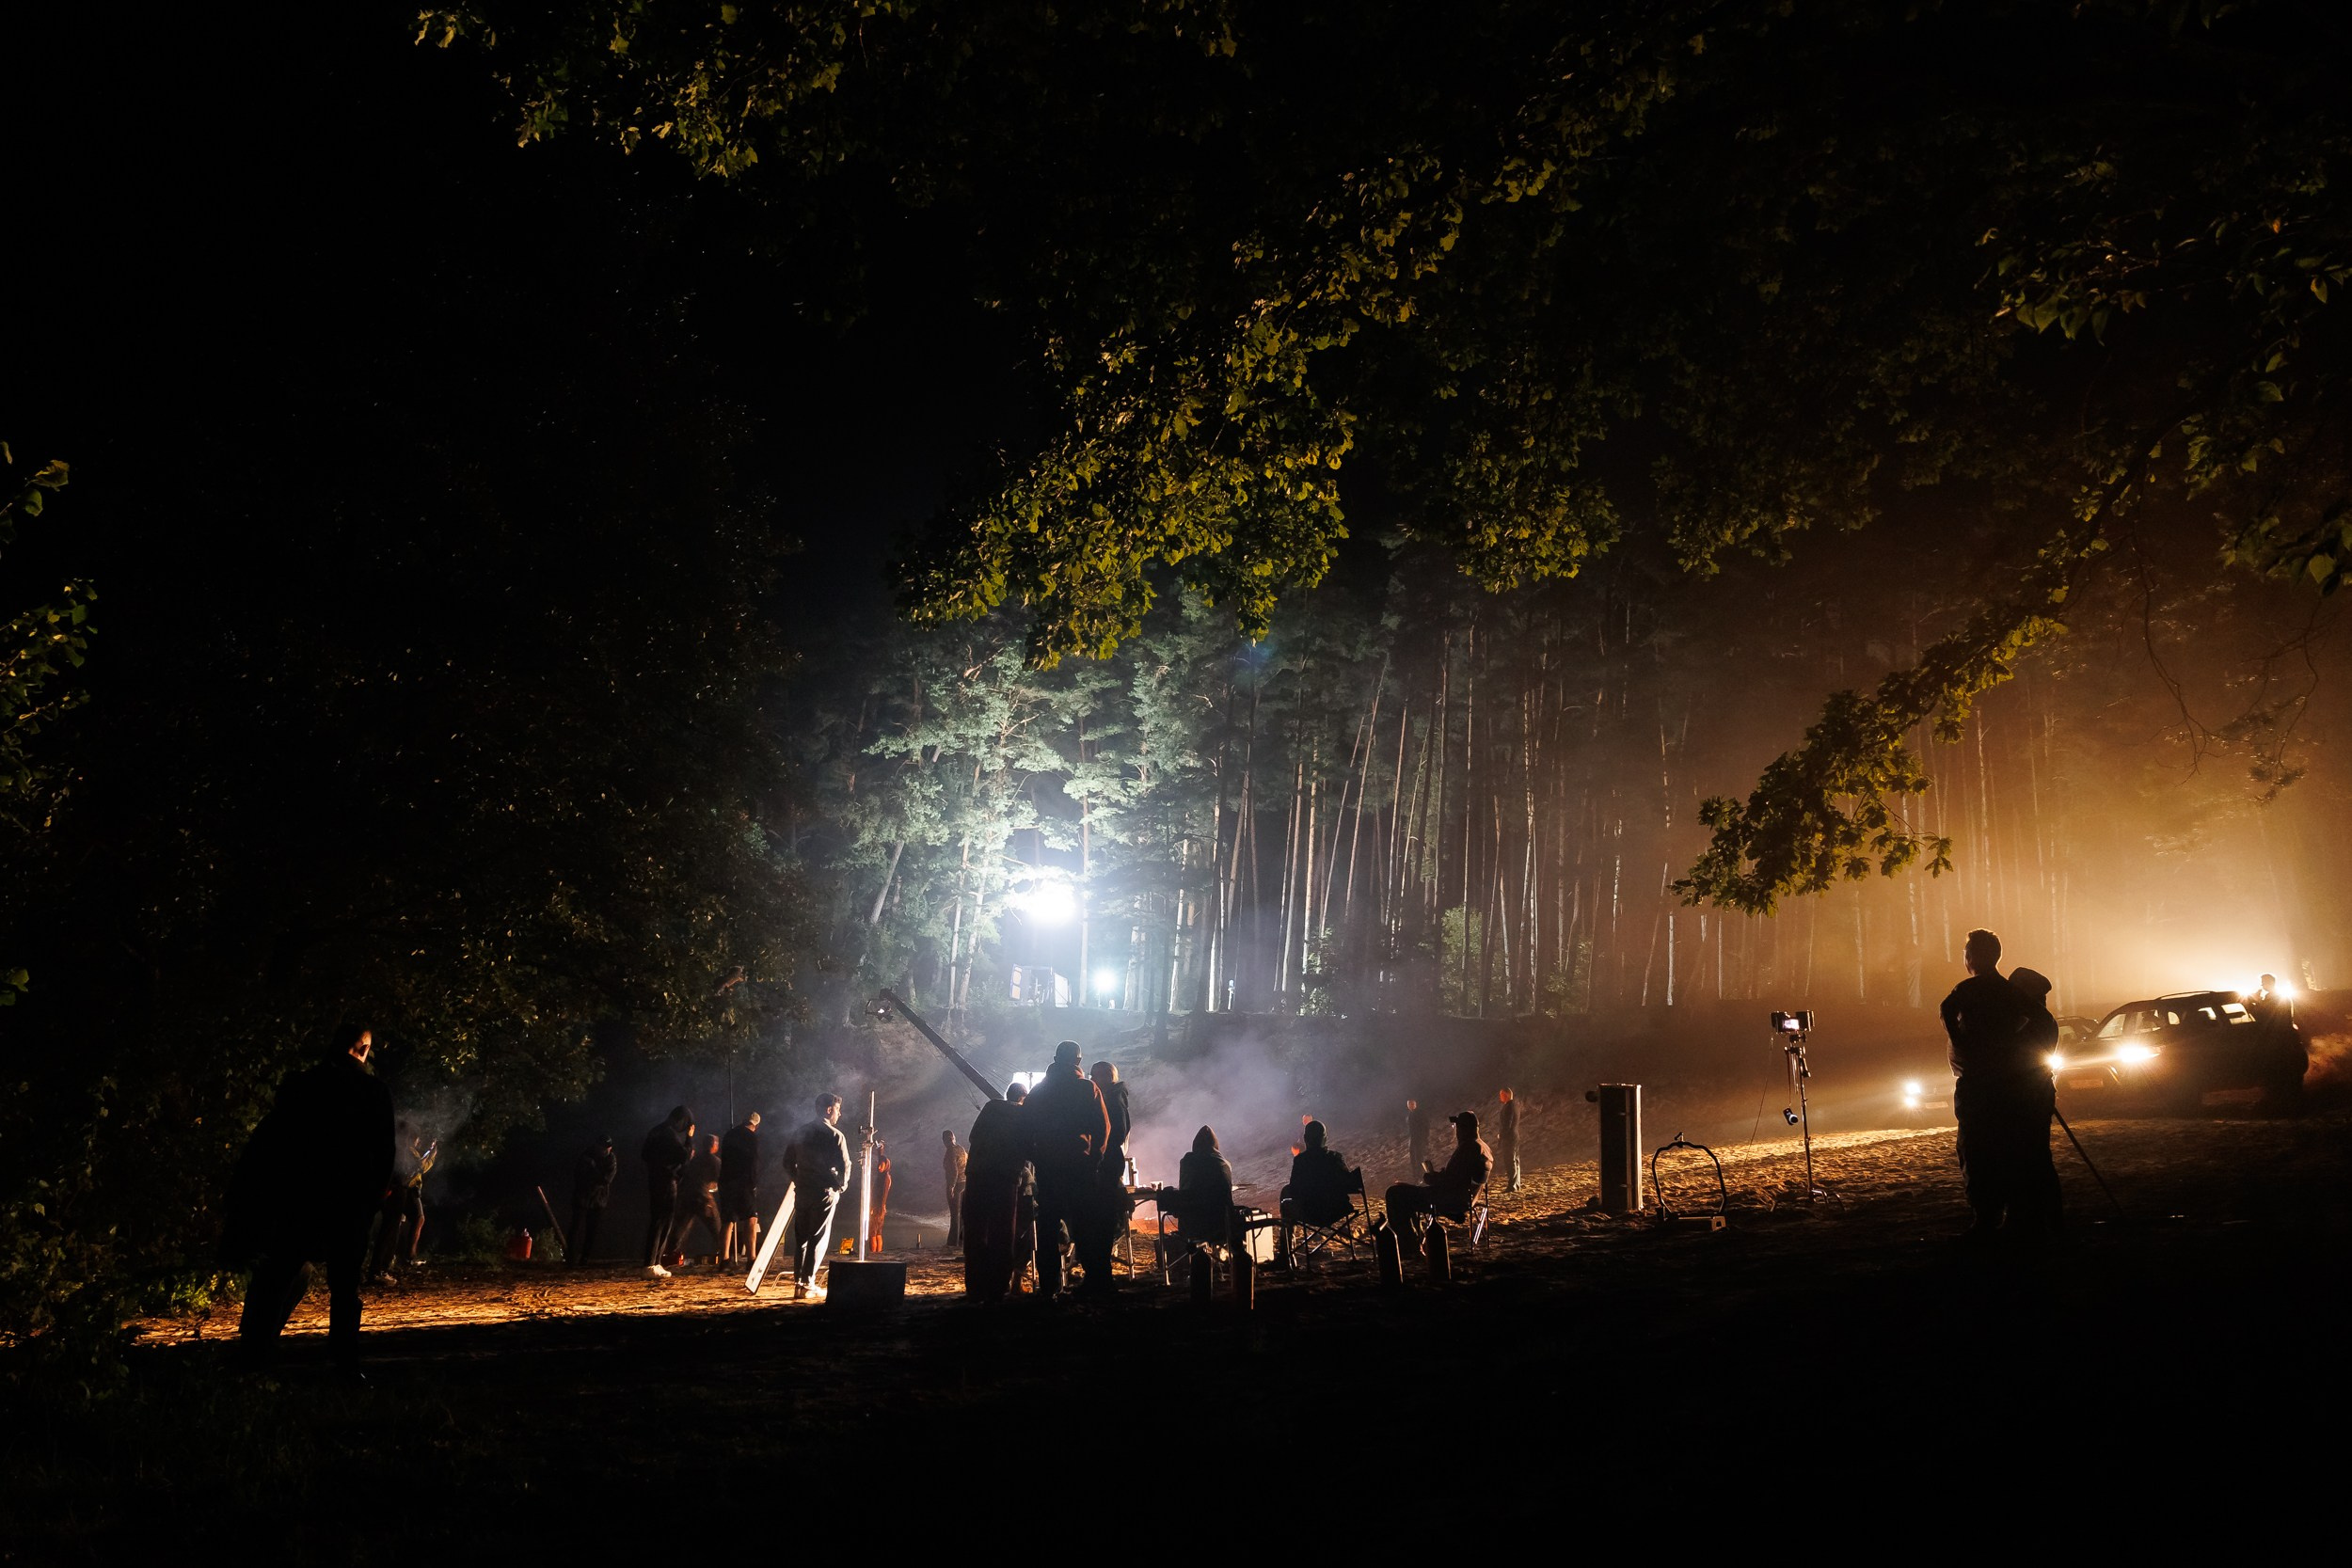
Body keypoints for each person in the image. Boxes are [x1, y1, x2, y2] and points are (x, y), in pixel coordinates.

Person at [222, 1022, 395, 1370]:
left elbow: (270, 1143)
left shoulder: (300, 1085)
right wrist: (372, 1200)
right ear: (361, 1049)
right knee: (344, 1288)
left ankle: (253, 1356)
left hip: (297, 1199)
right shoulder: (372, 1091)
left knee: (279, 1274)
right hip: (347, 1203)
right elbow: (384, 1153)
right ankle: (344, 1364)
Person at [1939, 928, 2055, 1241]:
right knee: (2011, 1149)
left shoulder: (1967, 990)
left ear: (1973, 957)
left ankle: (1986, 1219)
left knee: (1977, 1151)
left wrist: (1961, 1039)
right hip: (2008, 1086)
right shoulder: (2009, 992)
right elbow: (2042, 1020)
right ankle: (2016, 1217)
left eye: (1966, 954)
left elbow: (1946, 1009)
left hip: (1978, 1087)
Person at [1026, 1041, 1114, 1299]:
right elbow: (1103, 1128)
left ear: (1054, 1058)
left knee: (1047, 1227)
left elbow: (1023, 1131)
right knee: (1086, 1225)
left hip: (1049, 1169)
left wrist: (1038, 1157)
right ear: (1078, 1062)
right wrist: (1094, 1160)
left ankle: (1050, 1287)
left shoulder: (1039, 1092)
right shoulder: (1087, 1089)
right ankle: (1095, 1281)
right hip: (1080, 1167)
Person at [1383, 1111, 1492, 1253]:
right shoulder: (1483, 1147)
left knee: (1394, 1194)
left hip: (1450, 1199)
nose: (1455, 1131)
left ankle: (1410, 1246)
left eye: (1456, 1127)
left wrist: (1430, 1177)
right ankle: (1413, 1242)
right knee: (1405, 1194)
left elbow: (1450, 1182)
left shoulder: (1468, 1148)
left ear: (1463, 1128)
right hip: (1465, 1197)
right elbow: (1457, 1177)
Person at [961, 1086, 1025, 1301]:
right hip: (1005, 1178)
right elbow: (1027, 1146)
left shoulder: (989, 1108)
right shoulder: (1022, 1115)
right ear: (1023, 1098)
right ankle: (998, 1285)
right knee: (1003, 1231)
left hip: (977, 1174)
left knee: (975, 1230)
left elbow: (973, 1137)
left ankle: (975, 1286)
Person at [784, 1094, 851, 1297]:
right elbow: (845, 1165)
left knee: (801, 1237)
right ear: (829, 1110)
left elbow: (787, 1162)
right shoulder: (835, 1135)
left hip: (803, 1191)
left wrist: (798, 1179)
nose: (839, 1114)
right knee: (817, 1237)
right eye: (838, 1110)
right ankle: (807, 1283)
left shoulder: (800, 1132)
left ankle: (798, 1282)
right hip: (823, 1192)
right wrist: (840, 1186)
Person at [1279, 1118, 1353, 1259]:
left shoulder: (1301, 1161)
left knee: (1285, 1194)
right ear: (1325, 1138)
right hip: (1338, 1209)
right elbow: (1349, 1184)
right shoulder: (1336, 1157)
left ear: (1306, 1139)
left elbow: (1294, 1189)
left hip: (1310, 1211)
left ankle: (1286, 1253)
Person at [368, 1130, 435, 1282]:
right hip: (398, 1190)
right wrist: (431, 1156)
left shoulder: (399, 1150)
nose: (417, 1140)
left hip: (398, 1190)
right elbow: (418, 1168)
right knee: (391, 1228)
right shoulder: (405, 1151)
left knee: (394, 1226)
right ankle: (379, 1270)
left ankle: (383, 1267)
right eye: (415, 1137)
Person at [641, 1106, 693, 1277]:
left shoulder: (655, 1131)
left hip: (653, 1179)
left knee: (657, 1220)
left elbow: (644, 1154)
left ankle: (653, 1262)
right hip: (666, 1180)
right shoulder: (669, 1134)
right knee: (663, 1221)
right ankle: (652, 1263)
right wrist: (689, 1139)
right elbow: (684, 1156)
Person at [2248, 974, 2310, 1105]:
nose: (2262, 985)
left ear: (2270, 983)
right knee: (2288, 1071)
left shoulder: (2274, 999)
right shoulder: (2279, 997)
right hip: (2284, 1037)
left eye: (2264, 982)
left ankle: (2280, 1101)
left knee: (2277, 1070)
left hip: (2277, 1039)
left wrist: (2253, 1003)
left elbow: (2263, 1016)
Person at [1172, 1125, 1235, 1247]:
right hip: (1221, 1224)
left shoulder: (1187, 1162)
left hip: (1192, 1225)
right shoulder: (1225, 1164)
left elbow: (1185, 1190)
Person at [669, 1132, 724, 1264]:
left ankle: (671, 1253)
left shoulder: (694, 1159)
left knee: (681, 1227)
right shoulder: (715, 1161)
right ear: (714, 1145)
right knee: (717, 1227)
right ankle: (724, 1254)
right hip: (703, 1198)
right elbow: (720, 1179)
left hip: (687, 1196)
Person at [719, 1112, 763, 1264]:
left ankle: (724, 1260)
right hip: (744, 1183)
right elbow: (754, 1163)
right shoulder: (752, 1138)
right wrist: (754, 1182)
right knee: (751, 1219)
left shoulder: (729, 1135)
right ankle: (751, 1259)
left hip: (726, 1182)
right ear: (755, 1126)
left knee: (728, 1220)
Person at [1007, 1082, 1039, 1288]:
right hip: (1018, 1181)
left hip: (993, 1184)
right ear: (1023, 1098)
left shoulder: (992, 1116)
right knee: (1028, 1231)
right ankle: (1018, 1278)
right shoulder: (1021, 1118)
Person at [568, 1134, 617, 1267]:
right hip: (582, 1197)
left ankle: (585, 1259)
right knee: (575, 1228)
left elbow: (606, 1179)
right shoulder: (587, 1154)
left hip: (599, 1200)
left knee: (592, 1230)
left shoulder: (611, 1159)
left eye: (605, 1148)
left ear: (610, 1148)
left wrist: (593, 1168)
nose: (602, 1151)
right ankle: (570, 1259)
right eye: (601, 1147)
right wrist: (595, 1173)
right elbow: (579, 1175)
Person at [941, 1129, 968, 1250]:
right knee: (962, 1215)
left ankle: (952, 1243)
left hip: (956, 1185)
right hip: (965, 1183)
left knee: (954, 1215)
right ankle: (961, 1241)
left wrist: (951, 1186)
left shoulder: (950, 1151)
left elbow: (953, 1171)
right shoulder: (961, 1149)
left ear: (945, 1140)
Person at [865, 1139, 892, 1255]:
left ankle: (874, 1254)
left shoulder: (885, 1179)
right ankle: (877, 1254)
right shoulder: (883, 1177)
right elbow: (881, 1158)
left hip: (878, 1208)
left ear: (886, 1166)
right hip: (880, 1208)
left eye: (881, 1165)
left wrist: (874, 1208)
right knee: (878, 1232)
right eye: (879, 1165)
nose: (879, 1167)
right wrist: (880, 1148)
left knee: (873, 1233)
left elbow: (882, 1196)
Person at [1497, 1088, 1522, 1193]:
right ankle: (1517, 1184)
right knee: (1515, 1160)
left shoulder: (1509, 1107)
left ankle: (1512, 1185)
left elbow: (1507, 1123)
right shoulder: (1515, 1105)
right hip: (1515, 1136)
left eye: (1501, 1094)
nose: (1500, 1097)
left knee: (1510, 1161)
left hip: (1509, 1137)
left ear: (1506, 1095)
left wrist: (1501, 1136)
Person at [1406, 1099, 1429, 1171]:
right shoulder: (1410, 1114)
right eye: (1409, 1104)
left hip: (1419, 1137)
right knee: (1413, 1156)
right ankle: (1417, 1173)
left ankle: (1422, 1172)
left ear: (1415, 1105)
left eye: (1412, 1104)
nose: (1411, 1106)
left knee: (1420, 1156)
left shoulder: (1420, 1113)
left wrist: (1425, 1137)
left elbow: (1426, 1125)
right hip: (1413, 1138)